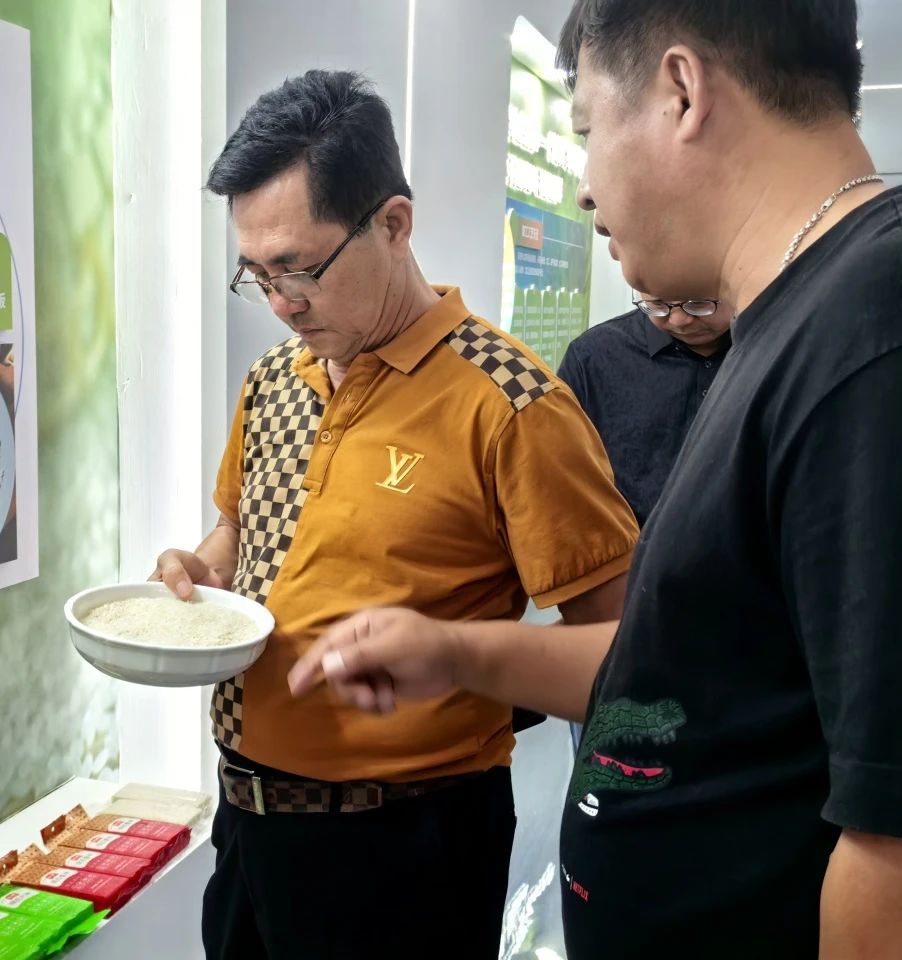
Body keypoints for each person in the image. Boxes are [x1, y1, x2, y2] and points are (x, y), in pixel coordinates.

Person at [290, 4, 902, 957]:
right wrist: (456, 653)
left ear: (681, 93)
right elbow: (686, 673)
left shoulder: (899, 322)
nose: (583, 188)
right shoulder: (795, 318)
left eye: (586, 130)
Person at [153, 70, 638, 959]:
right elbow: (238, 533)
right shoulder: (273, 381)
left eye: (301, 269)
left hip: (407, 849)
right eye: (256, 275)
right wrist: (202, 570)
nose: (281, 304)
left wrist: (453, 653)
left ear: (394, 223)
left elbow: (629, 660)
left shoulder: (512, 403)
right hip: (247, 823)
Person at [558, 295, 732, 526]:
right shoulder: (592, 356)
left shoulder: (775, 351)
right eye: (658, 305)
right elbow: (560, 478)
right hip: (627, 543)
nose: (679, 320)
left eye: (698, 303)